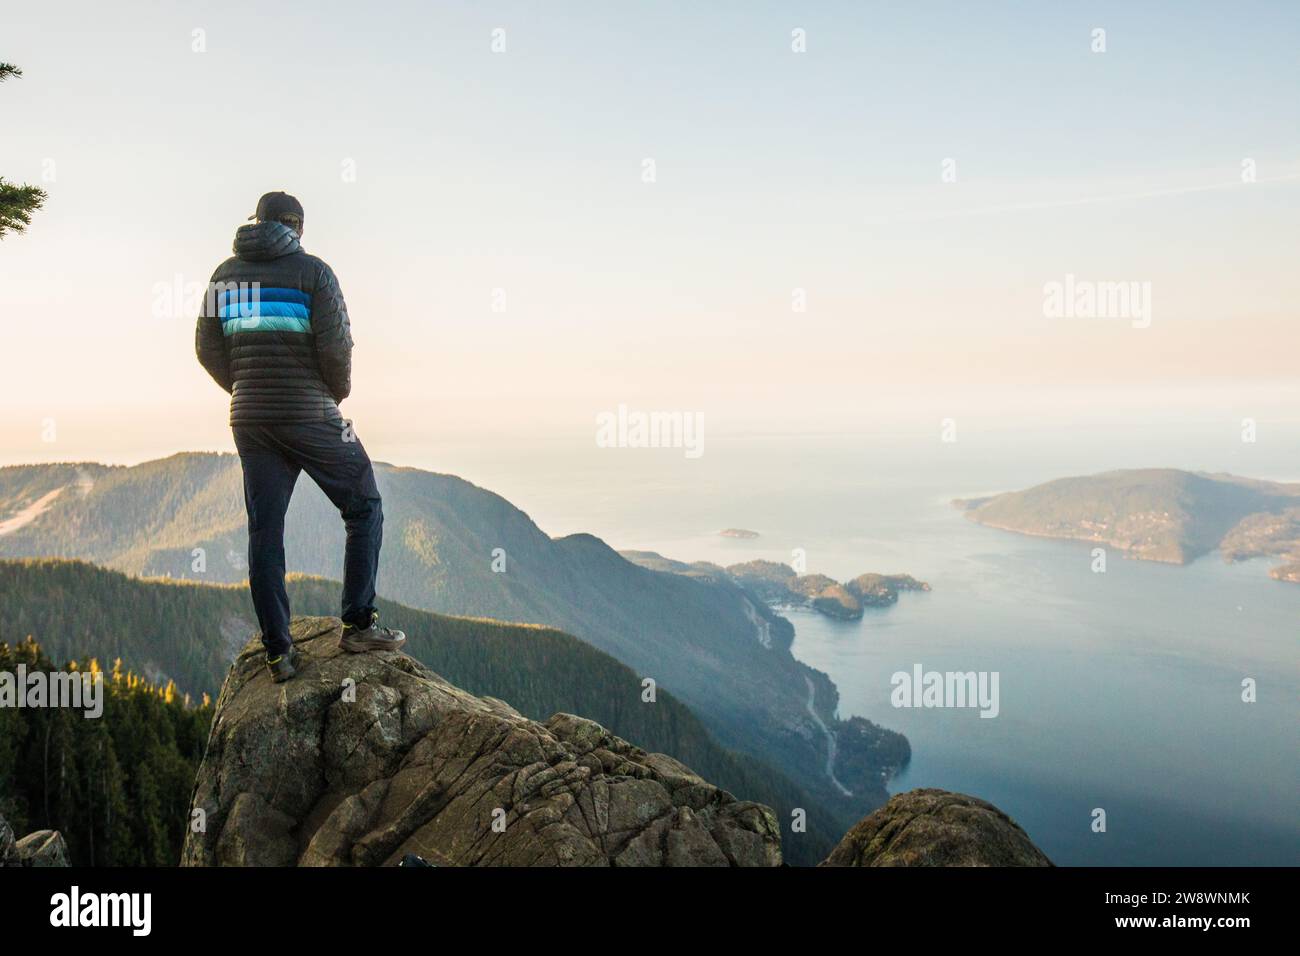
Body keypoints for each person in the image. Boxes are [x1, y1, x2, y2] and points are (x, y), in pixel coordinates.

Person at [196, 191, 405, 682]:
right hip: (310, 411)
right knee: (364, 504)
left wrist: (246, 386)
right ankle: (357, 624)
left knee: (264, 532)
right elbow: (338, 350)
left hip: (249, 418)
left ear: (258, 222)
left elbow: (207, 350)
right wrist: (330, 395)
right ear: (296, 227)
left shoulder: (222, 276)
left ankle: (278, 654)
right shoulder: (315, 273)